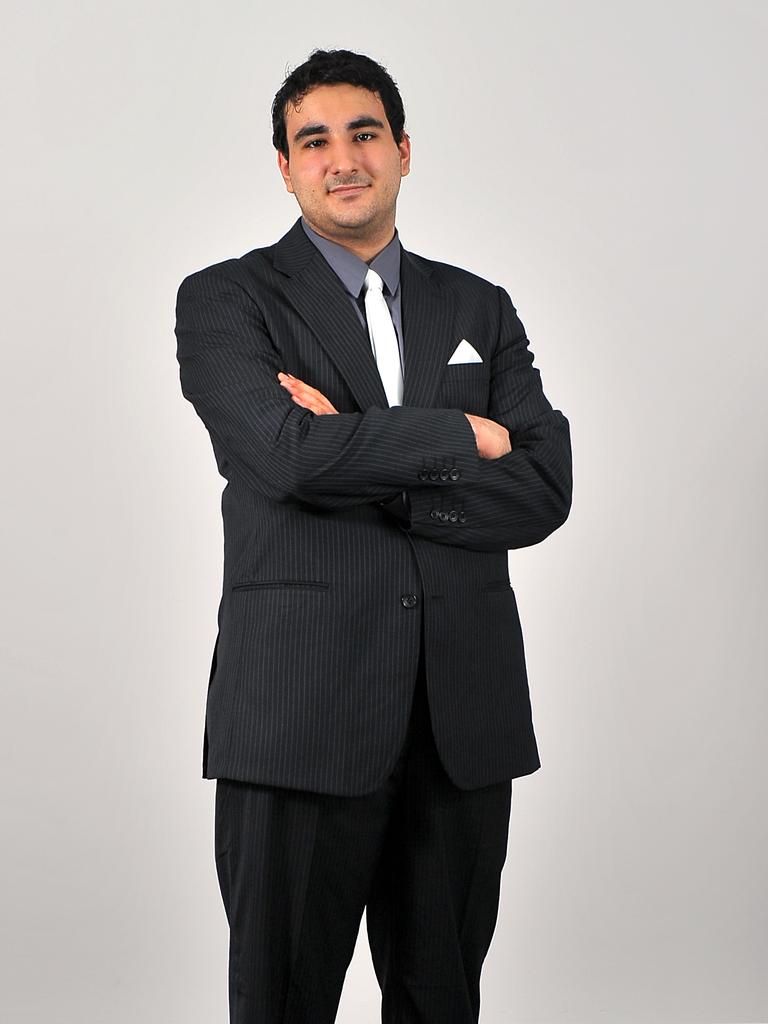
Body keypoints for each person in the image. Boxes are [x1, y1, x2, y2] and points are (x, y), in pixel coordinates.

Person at [174, 47, 571, 1024]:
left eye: (363, 135)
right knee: (283, 1004)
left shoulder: (479, 306)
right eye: (315, 140)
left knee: (443, 1005)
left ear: (402, 150)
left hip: (460, 723)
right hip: (301, 718)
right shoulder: (228, 300)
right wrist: (461, 437)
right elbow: (286, 458)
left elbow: (544, 487)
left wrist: (359, 452)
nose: (342, 158)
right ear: (285, 166)